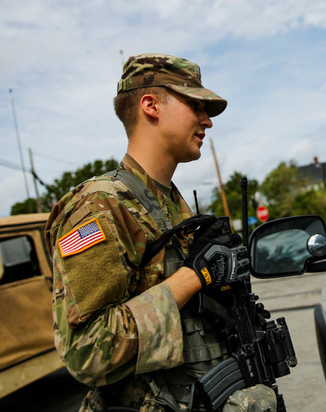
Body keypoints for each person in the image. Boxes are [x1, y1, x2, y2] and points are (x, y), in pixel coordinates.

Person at [45, 54, 276, 411]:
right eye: (195, 105)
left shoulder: (170, 204)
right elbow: (86, 352)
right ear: (150, 105)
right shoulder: (99, 206)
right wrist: (193, 278)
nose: (207, 121)